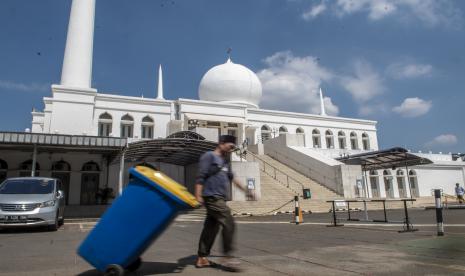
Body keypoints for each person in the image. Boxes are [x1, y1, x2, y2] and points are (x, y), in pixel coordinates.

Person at [195, 135, 251, 270]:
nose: (231, 149)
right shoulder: (209, 156)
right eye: (230, 146)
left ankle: (202, 258)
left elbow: (232, 178)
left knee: (211, 228)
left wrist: (246, 190)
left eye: (233, 147)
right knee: (228, 220)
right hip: (211, 197)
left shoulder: (225, 162)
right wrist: (198, 194)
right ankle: (227, 256)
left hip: (220, 197)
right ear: (221, 143)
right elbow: (201, 176)